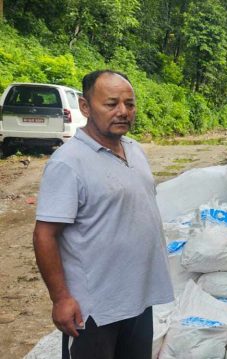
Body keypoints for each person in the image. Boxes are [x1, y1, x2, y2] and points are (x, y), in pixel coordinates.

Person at [32, 70, 173, 358]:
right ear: (85, 107)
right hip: (94, 309)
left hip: (138, 298)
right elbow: (44, 234)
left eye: (129, 104)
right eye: (111, 104)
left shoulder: (135, 150)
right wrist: (60, 298)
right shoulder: (69, 162)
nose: (123, 112)